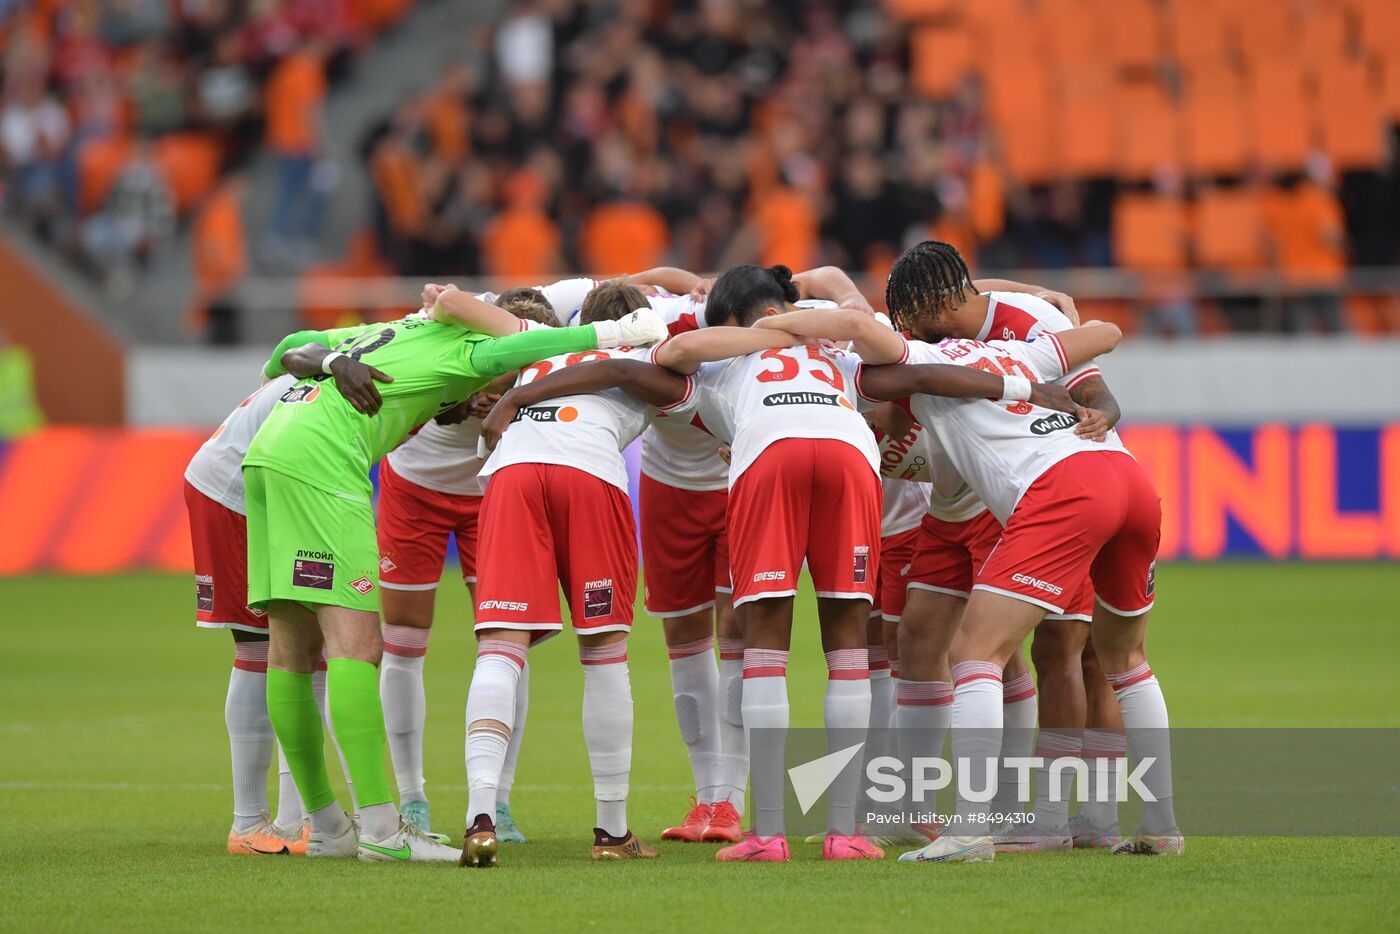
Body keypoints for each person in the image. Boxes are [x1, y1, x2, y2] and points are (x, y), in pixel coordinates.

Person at [243, 288, 668, 863]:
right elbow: (547, 341)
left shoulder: (391, 331)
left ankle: (328, 826)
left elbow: (286, 350)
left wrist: (332, 362)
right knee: (360, 646)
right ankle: (384, 830)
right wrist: (617, 333)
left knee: (290, 650)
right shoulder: (474, 353)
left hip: (268, 457)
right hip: (335, 468)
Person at [458, 297, 797, 867]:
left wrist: (503, 395)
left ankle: (479, 816)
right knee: (604, 652)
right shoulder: (652, 361)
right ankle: (611, 831)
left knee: (498, 648)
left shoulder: (544, 350)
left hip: (512, 476)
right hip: (590, 477)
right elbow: (634, 373)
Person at [846, 314, 1180, 861]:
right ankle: (1158, 823)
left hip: (1053, 496)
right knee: (1120, 658)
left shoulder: (975, 346)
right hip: (1100, 482)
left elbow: (1087, 339)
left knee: (1025, 653)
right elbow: (1105, 331)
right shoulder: (1011, 351)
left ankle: (1008, 822)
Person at [875, 242, 1129, 850]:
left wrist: (1106, 414)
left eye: (909, 314)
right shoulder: (917, 338)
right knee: (918, 638)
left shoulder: (1031, 322)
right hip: (953, 503)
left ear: (935, 301)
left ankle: (1041, 817)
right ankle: (915, 809)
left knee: (1062, 653)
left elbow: (1096, 388)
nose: (902, 327)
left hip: (1034, 496)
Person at [374, 278, 596, 842]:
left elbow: (622, 288)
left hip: (491, 494)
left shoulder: (553, 324)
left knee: (507, 644)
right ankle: (412, 797)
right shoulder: (443, 332)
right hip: (413, 487)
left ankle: (498, 800)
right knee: (402, 639)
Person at [184, 323, 394, 854]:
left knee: (305, 648)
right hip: (234, 489)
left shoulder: (343, 354)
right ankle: (250, 821)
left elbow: (280, 356)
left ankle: (294, 817)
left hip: (258, 481)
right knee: (263, 648)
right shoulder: (377, 373)